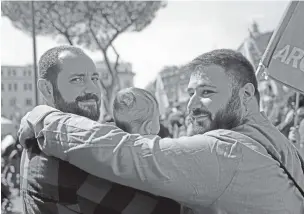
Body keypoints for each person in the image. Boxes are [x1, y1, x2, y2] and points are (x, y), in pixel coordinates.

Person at [19, 49, 304, 213]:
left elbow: (129, 154)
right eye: (190, 92)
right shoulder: (277, 143)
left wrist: (44, 118)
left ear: (245, 94)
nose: (191, 104)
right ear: (46, 88)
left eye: (206, 92)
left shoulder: (225, 151)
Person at [19, 45, 181, 214]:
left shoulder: (38, 138)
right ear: (47, 88)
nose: (92, 89)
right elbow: (167, 208)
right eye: (77, 79)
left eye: (95, 79)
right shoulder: (66, 158)